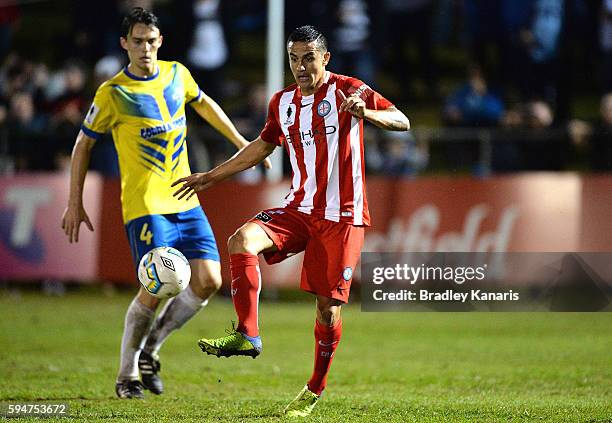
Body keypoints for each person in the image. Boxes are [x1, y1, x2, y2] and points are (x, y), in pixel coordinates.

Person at [173, 25, 409, 417]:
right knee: (241, 240)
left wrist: (366, 112)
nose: (300, 66)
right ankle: (247, 334)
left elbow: (403, 121)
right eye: (294, 58)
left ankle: (315, 388)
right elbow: (261, 146)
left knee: (327, 311)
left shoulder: (350, 89)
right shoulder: (282, 103)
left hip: (342, 215)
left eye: (308, 58)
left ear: (325, 59)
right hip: (299, 209)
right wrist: (209, 177)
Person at [61, 7, 268, 400]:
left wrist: (241, 143)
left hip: (184, 197)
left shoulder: (177, 74)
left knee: (209, 280)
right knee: (158, 286)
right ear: (124, 43)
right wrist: (75, 202)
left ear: (160, 42)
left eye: (151, 41)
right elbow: (83, 144)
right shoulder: (113, 93)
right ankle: (126, 377)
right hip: (145, 206)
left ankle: (151, 349)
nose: (145, 49)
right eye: (137, 42)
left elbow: (204, 105)